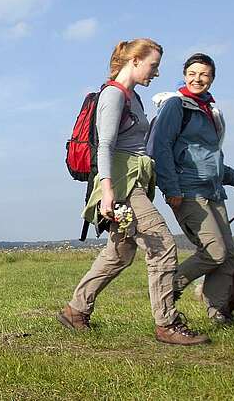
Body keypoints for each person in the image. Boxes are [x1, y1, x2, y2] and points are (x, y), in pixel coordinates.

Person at [57, 38, 209, 346]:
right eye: (153, 65)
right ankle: (167, 323)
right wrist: (108, 192)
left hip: (133, 180)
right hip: (122, 185)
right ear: (135, 61)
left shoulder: (133, 97)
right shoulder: (113, 95)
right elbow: (106, 147)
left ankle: (76, 310)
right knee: (163, 245)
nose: (156, 72)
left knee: (120, 252)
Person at [149, 53, 234, 324]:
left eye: (204, 74)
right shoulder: (175, 106)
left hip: (214, 189)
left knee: (227, 256)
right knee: (213, 251)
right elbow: (162, 148)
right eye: (192, 73)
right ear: (184, 75)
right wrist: (171, 189)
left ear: (212, 79)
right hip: (188, 190)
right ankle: (169, 288)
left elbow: (208, 154)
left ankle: (218, 313)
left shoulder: (209, 110)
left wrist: (232, 177)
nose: (198, 79)